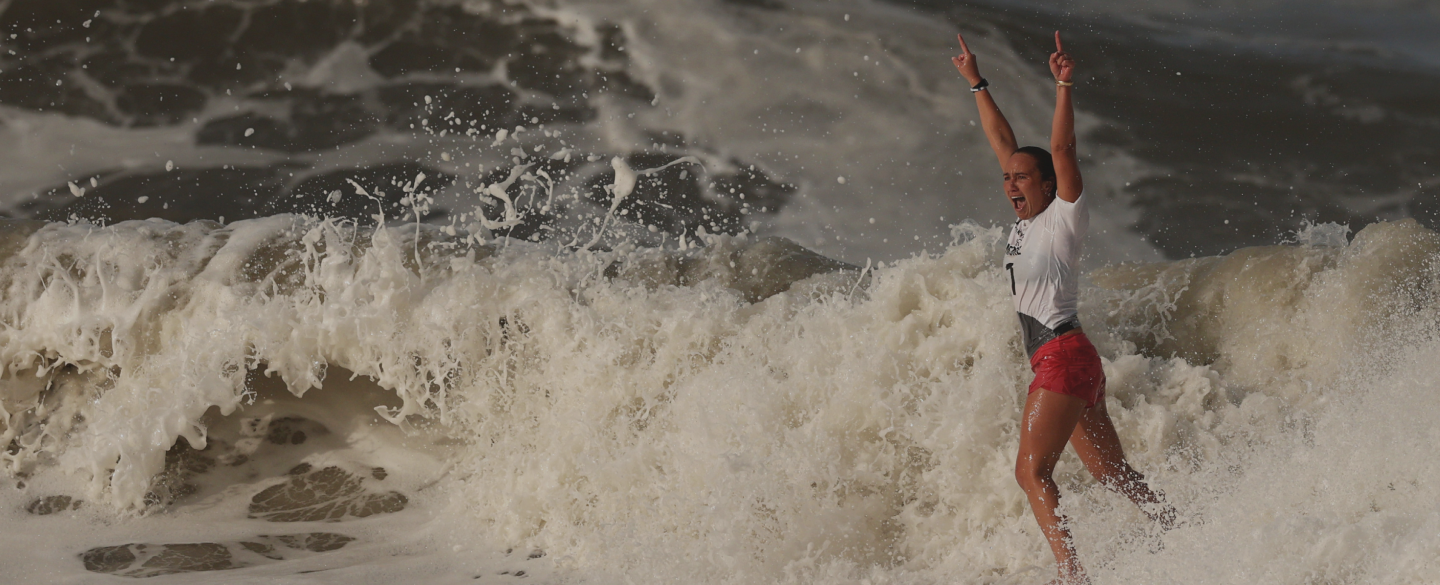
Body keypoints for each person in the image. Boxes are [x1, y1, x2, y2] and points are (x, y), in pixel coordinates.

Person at [951, 31, 1177, 585]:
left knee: (1031, 473)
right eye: (1007, 179)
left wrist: (1063, 85)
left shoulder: (1062, 218)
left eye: (1021, 178)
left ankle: (1071, 575)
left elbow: (1062, 151)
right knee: (1108, 471)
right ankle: (1176, 521)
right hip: (1072, 360)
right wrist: (977, 83)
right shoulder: (1025, 222)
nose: (1010, 183)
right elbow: (1003, 140)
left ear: (1050, 185)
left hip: (1061, 357)